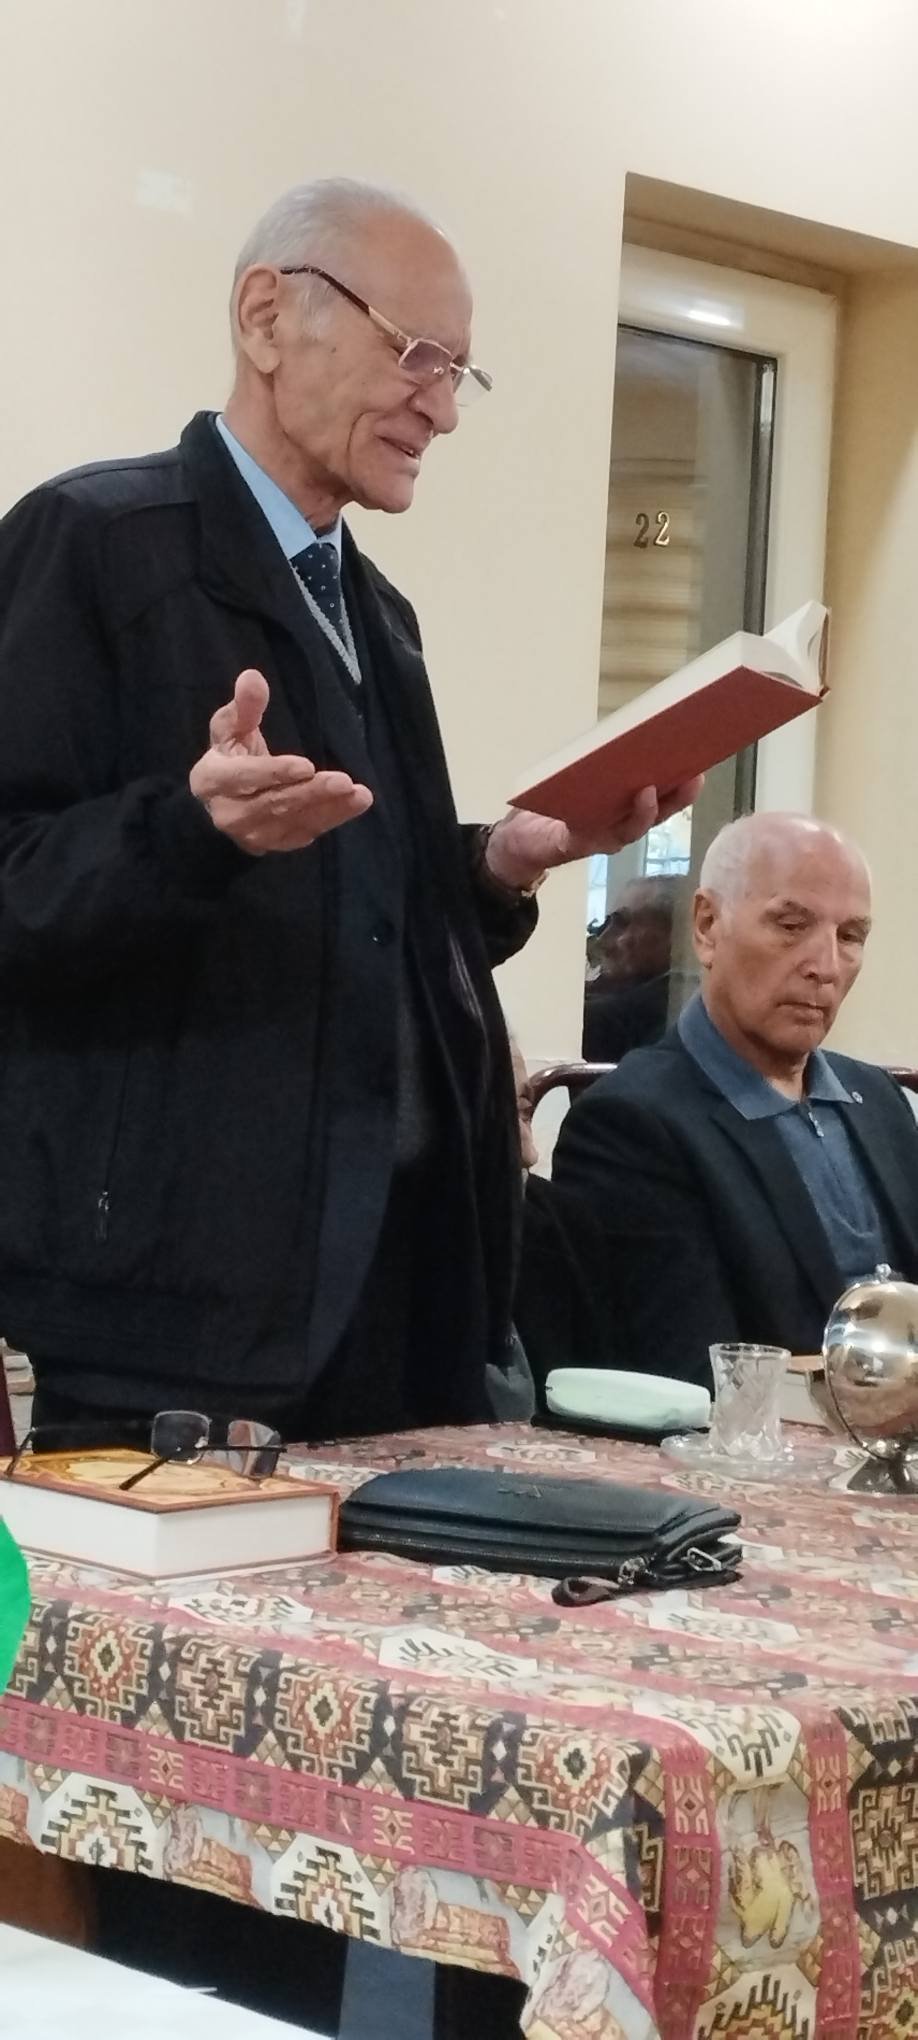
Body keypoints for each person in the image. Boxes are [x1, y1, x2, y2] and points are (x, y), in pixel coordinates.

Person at [0, 174, 699, 1450]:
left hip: (404, 1281)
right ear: (267, 317)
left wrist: (499, 862)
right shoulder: (94, 544)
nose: (442, 406)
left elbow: (369, 915)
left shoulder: (380, 616)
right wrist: (190, 831)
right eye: (416, 354)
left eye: (459, 373)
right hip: (177, 1305)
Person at [520, 812, 918, 1391]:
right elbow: (695, 1380)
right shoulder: (629, 1122)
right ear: (707, 926)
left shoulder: (879, 1101)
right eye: (791, 925)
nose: (826, 967)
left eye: (851, 937)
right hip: (772, 1436)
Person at [582, 873, 692, 1061]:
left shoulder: (613, 1017)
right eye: (609, 922)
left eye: (621, 922)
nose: (603, 939)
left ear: (674, 933)